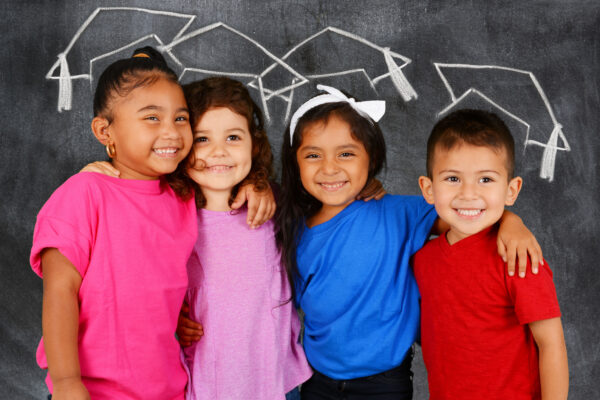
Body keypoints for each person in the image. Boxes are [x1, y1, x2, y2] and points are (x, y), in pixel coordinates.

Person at [275, 85, 544, 400]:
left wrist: (512, 221)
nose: (330, 168)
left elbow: (466, 214)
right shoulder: (291, 227)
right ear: (295, 162)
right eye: (313, 155)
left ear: (371, 157)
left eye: (346, 153)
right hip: (317, 380)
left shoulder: (400, 213)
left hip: (384, 384)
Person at [30, 47, 196, 400]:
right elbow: (60, 293)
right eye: (152, 118)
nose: (172, 132)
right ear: (105, 131)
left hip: (166, 389)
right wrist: (66, 383)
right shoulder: (84, 193)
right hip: (90, 391)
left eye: (181, 118)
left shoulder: (183, 200)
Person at [166, 77, 313, 399]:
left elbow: (333, 198)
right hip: (206, 381)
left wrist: (260, 182)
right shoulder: (169, 214)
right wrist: (172, 315)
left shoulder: (272, 203)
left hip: (276, 379)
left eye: (233, 137)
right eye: (202, 139)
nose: (219, 152)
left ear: (254, 146)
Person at [414, 109, 568, 399]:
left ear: (511, 190)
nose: (469, 194)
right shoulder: (423, 260)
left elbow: (551, 344)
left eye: (485, 179)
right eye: (452, 179)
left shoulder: (520, 258)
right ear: (428, 188)